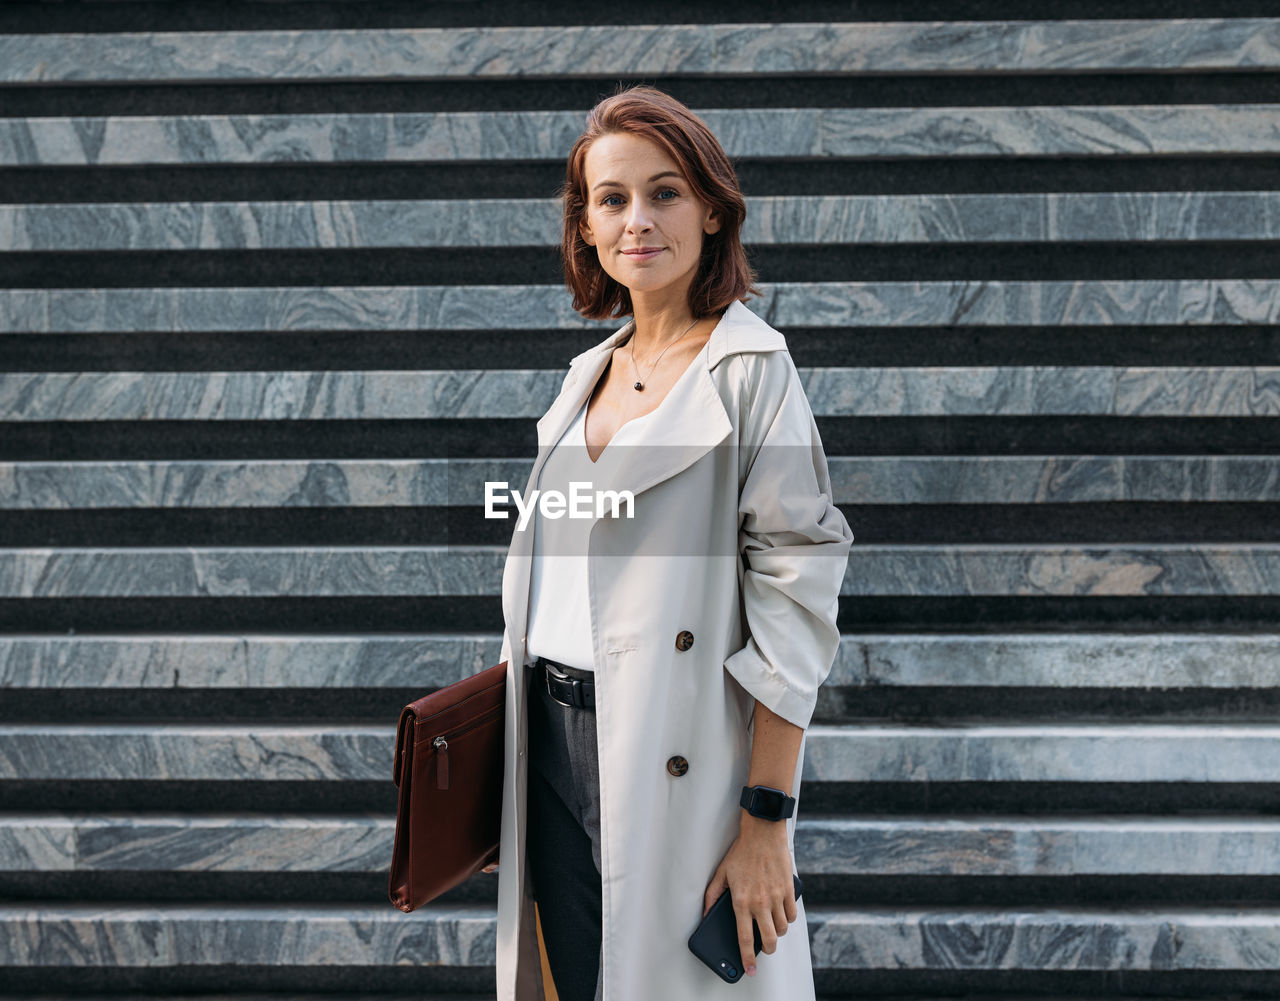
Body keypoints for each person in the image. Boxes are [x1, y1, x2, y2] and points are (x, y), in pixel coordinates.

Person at [489, 84, 854, 1001]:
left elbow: (798, 602)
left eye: (665, 193)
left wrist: (768, 819)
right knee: (572, 979)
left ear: (713, 210)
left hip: (675, 747)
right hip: (549, 740)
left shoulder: (750, 370)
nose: (637, 220)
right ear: (586, 225)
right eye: (611, 199)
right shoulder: (586, 376)